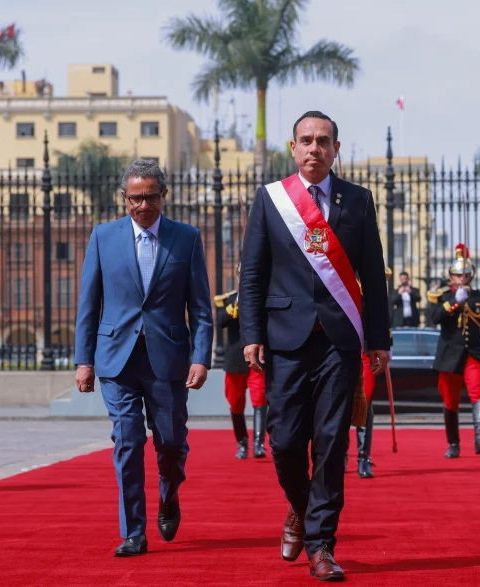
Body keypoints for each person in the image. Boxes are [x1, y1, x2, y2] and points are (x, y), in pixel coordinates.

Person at [239, 110, 391, 581]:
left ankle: (322, 544)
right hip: (285, 339)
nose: (314, 148)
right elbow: (252, 274)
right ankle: (300, 509)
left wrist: (379, 339)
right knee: (283, 442)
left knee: (330, 444)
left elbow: (373, 274)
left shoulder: (359, 201)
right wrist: (251, 335)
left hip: (339, 343)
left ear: (336, 149)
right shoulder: (271, 200)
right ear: (293, 148)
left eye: (323, 141)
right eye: (306, 140)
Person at [74, 158, 213, 558]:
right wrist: (84, 361)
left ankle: (169, 496)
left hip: (167, 360)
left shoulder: (186, 239)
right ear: (124, 198)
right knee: (128, 442)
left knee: (170, 443)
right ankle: (133, 531)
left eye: (150, 197)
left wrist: (201, 358)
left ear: (164, 196)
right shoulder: (103, 237)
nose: (142, 205)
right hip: (116, 359)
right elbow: (89, 304)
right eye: (134, 198)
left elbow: (201, 307)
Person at [427, 244, 480, 458]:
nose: (462, 278)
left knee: (478, 392)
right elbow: (435, 318)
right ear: (451, 276)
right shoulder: (441, 296)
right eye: (458, 275)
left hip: (473, 353)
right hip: (449, 355)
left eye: (465, 275)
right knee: (450, 399)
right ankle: (454, 443)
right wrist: (454, 302)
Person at [215, 264, 268, 459]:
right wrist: (237, 302)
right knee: (236, 402)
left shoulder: (262, 297)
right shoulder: (227, 299)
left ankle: (259, 443)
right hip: (235, 360)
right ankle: (242, 443)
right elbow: (220, 321)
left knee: (259, 398)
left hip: (258, 358)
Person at [347, 265, 393, 479]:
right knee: (338, 403)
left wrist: (385, 343)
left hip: (365, 352)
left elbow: (381, 318)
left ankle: (363, 458)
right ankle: (339, 456)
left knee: (364, 399)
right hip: (340, 351)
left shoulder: (369, 285)